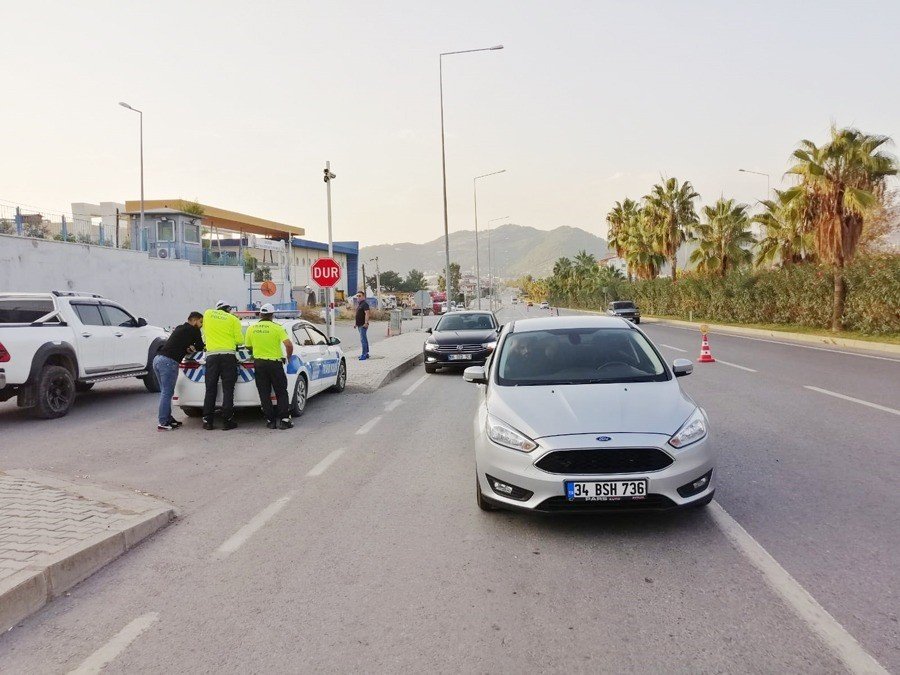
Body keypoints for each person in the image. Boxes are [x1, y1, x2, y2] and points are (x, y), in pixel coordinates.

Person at [244, 303, 294, 430]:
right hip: (275, 364)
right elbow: (288, 345)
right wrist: (288, 356)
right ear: (272, 315)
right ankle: (284, 420)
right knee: (281, 391)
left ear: (260, 314)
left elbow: (248, 346)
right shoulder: (277, 328)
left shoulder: (251, 328)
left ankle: (270, 420)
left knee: (264, 393)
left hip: (259, 364)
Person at [152, 311, 203, 431]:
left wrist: (188, 348)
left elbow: (178, 344)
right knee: (167, 393)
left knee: (165, 392)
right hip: (169, 362)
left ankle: (168, 418)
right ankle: (163, 422)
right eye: (201, 322)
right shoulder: (194, 330)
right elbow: (200, 346)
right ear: (195, 321)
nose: (201, 325)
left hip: (158, 360)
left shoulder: (180, 328)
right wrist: (194, 347)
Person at [202, 300, 244, 430]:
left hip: (212, 356)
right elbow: (239, 340)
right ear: (228, 309)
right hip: (228, 356)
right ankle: (227, 421)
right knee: (228, 389)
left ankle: (207, 421)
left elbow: (204, 335)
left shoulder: (208, 314)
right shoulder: (233, 319)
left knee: (210, 388)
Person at [354, 290, 370, 361]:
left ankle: (364, 354)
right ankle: (366, 353)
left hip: (363, 325)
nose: (358, 297)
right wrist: (355, 324)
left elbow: (367, 313)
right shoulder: (359, 304)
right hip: (359, 325)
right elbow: (358, 315)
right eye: (357, 296)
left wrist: (366, 323)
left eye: (359, 296)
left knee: (363, 340)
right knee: (364, 339)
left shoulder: (365, 304)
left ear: (363, 296)